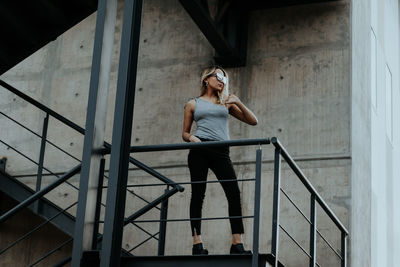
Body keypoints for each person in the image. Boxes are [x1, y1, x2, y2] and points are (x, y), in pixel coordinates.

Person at [182, 66, 258, 255]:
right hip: (199, 149)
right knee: (198, 194)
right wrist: (192, 138)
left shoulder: (225, 103)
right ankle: (197, 243)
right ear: (206, 79)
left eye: (224, 77)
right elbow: (184, 132)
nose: (221, 80)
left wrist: (238, 102)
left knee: (233, 193)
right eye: (218, 76)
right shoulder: (193, 103)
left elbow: (253, 121)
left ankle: (237, 244)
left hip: (221, 150)